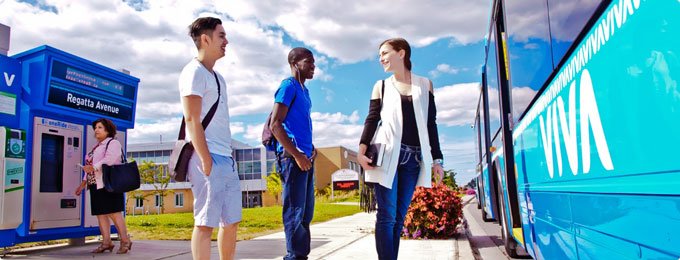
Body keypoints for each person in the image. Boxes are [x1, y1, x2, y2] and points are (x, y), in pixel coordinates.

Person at [357, 38, 445, 260]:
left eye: (385, 53)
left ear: (402, 53)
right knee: (386, 216)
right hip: (387, 156)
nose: (381, 59)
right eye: (379, 56)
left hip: (414, 159)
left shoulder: (425, 84)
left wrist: (437, 160)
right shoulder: (382, 85)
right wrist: (360, 151)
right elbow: (372, 119)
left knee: (398, 218)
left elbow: (431, 123)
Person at [179, 17, 241, 260]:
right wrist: (205, 160)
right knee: (205, 223)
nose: (226, 41)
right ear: (205, 39)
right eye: (221, 36)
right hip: (207, 157)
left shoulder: (218, 78)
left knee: (231, 221)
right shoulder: (192, 72)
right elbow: (192, 119)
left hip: (226, 157)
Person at [269, 47, 318, 260]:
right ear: (295, 62)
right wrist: (297, 155)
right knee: (295, 213)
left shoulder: (304, 90)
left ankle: (300, 256)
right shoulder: (288, 86)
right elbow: (275, 124)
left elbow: (298, 124)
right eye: (309, 62)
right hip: (292, 159)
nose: (313, 66)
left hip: (305, 157)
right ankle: (294, 257)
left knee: (306, 213)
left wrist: (310, 149)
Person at [75, 118, 132, 254]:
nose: (96, 130)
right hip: (95, 185)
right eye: (95, 128)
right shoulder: (97, 147)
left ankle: (125, 240)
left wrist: (93, 167)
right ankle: (106, 242)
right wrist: (83, 184)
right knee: (101, 214)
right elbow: (89, 169)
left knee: (114, 212)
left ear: (108, 130)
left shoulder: (113, 143)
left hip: (109, 183)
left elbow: (110, 159)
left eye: (100, 127)